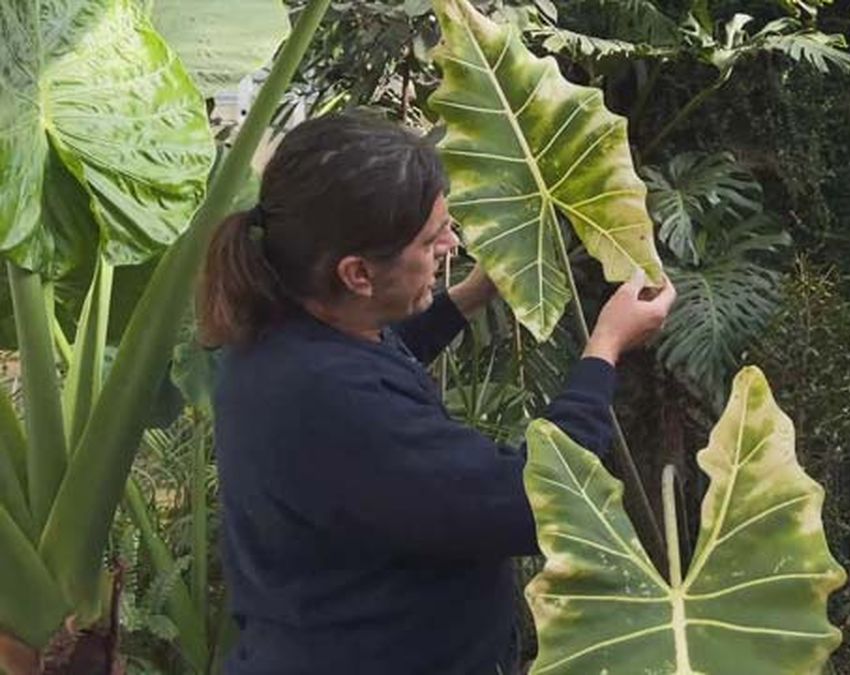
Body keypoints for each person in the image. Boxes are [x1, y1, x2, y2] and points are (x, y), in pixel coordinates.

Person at [198, 111, 675, 675]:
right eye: (431, 239)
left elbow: (374, 354)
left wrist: (471, 294)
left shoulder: (282, 336)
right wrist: (605, 348)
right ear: (357, 274)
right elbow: (535, 501)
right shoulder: (333, 402)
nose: (452, 244)